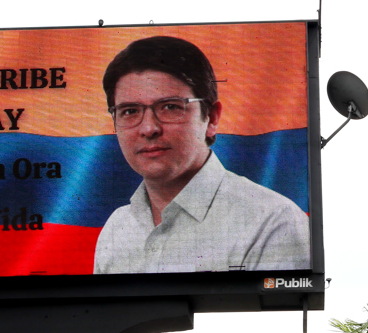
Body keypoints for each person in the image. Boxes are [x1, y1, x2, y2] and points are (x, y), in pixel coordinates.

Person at [93, 35, 310, 275]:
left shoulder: (273, 223)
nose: (148, 129)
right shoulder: (117, 228)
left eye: (170, 107)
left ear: (212, 118)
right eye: (130, 111)